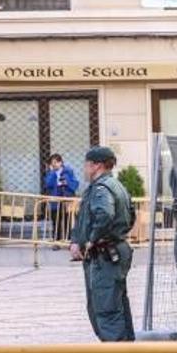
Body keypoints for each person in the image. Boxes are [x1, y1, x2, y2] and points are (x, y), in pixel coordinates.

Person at [70, 146, 136, 342]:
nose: (84, 169)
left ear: (96, 165)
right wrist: (77, 240)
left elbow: (104, 214)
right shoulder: (116, 185)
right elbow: (130, 215)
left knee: (106, 309)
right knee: (117, 305)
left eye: (86, 165)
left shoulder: (101, 189)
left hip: (105, 256)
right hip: (113, 250)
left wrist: (92, 240)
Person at [43, 153, 79, 246]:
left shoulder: (68, 171)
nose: (54, 164)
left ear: (61, 162)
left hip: (67, 199)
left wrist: (67, 182)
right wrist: (52, 173)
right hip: (56, 200)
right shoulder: (51, 173)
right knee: (56, 222)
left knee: (68, 221)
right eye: (52, 163)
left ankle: (69, 242)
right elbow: (48, 184)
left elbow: (75, 184)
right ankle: (57, 242)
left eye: (56, 162)